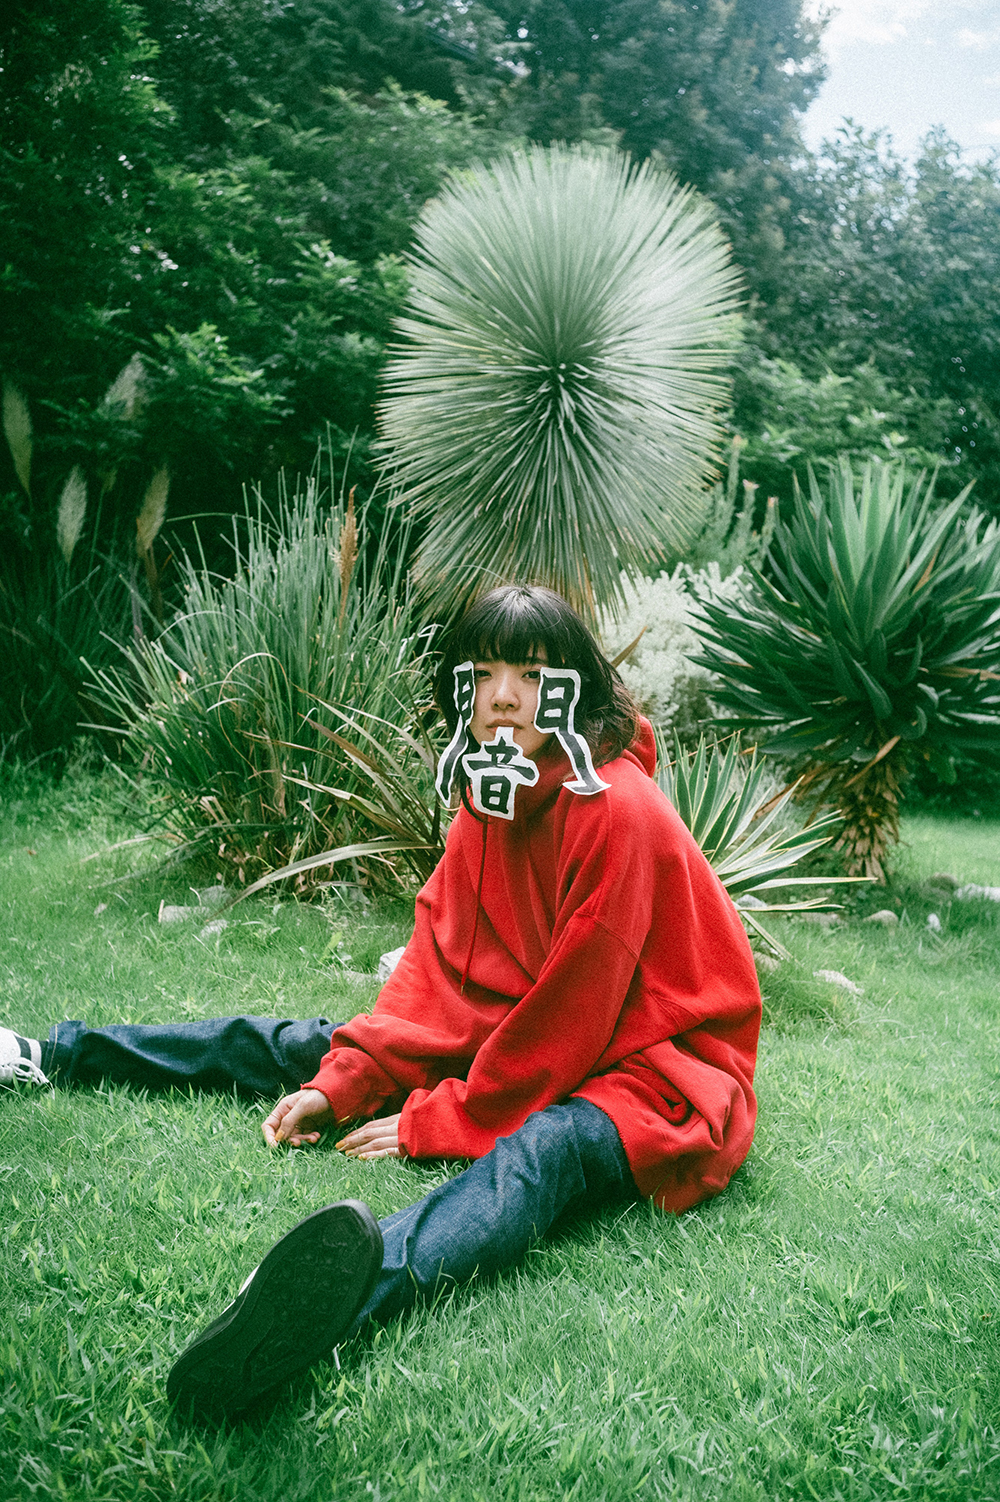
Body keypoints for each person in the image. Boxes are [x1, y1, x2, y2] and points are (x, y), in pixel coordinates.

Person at [1, 584, 761, 1421]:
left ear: (572, 687)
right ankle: (53, 1055)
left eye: (531, 674)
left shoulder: (619, 810)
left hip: (656, 1066)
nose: (503, 696)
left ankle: (326, 1304)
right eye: (483, 673)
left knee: (544, 1152)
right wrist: (349, 1080)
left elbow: (572, 1017)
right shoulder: (489, 790)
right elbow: (439, 964)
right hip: (526, 1027)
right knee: (314, 1043)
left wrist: (436, 1119)